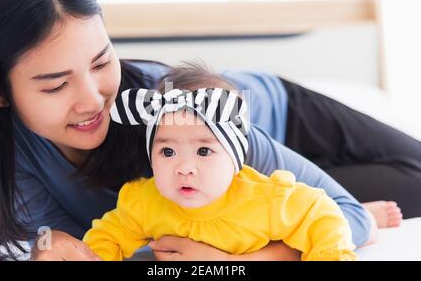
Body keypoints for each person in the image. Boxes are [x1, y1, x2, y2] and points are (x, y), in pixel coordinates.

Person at [0, 0, 413, 261]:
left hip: (280, 117)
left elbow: (345, 215)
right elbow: (97, 247)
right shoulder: (5, 163)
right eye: (57, 85)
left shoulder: (176, 113)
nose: (93, 99)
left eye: (103, 62)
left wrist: (244, 257)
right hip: (230, 191)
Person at [83, 70, 357, 261]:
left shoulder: (267, 200)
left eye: (204, 150)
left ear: (235, 158)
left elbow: (322, 215)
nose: (185, 167)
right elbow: (108, 236)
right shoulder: (144, 202)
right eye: (167, 151)